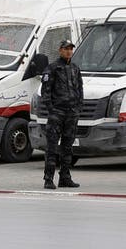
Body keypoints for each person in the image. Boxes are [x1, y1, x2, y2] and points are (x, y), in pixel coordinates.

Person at [41, 39, 83, 189]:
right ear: (60, 50)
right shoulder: (52, 68)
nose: (68, 51)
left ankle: (65, 177)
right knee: (52, 146)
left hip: (71, 113)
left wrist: (78, 108)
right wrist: (52, 110)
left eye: (71, 49)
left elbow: (79, 90)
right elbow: (45, 92)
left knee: (68, 147)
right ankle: (48, 178)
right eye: (66, 49)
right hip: (57, 113)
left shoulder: (75, 68)